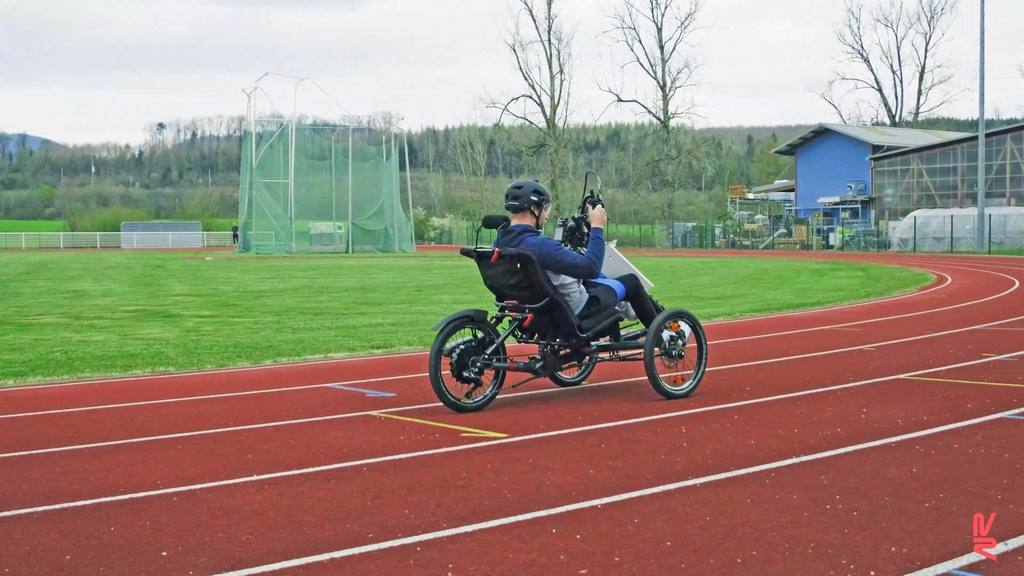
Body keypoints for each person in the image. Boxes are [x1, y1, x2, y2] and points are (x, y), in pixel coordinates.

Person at [494, 179, 662, 329]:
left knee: (592, 283)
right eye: (544, 210)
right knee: (630, 281)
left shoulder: (500, 243)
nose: (545, 216)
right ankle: (664, 337)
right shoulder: (541, 245)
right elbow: (591, 268)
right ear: (533, 209)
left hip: (530, 313)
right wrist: (597, 226)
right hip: (575, 312)